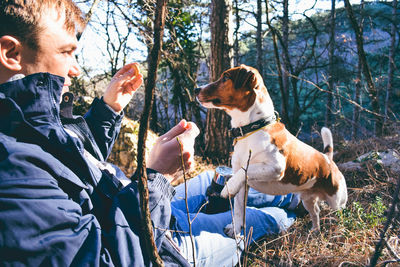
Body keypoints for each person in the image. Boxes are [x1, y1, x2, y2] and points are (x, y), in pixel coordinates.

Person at [0, 1, 300, 266]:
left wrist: (108, 109)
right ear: (11, 53)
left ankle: (300, 195)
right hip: (154, 242)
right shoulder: (9, 167)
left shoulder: (24, 122)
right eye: (66, 52)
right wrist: (158, 177)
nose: (75, 69)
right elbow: (108, 258)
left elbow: (73, 170)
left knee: (213, 180)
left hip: (137, 210)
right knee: (266, 219)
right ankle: (291, 212)